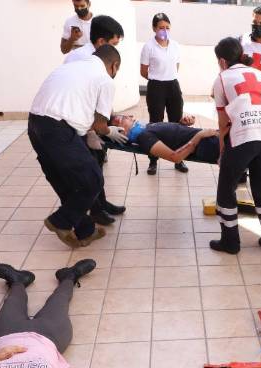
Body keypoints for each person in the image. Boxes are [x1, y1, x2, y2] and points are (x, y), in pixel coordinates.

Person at [28, 45, 126, 248]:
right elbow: (100, 125)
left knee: (65, 181)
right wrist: (110, 131)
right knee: (93, 179)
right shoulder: (105, 80)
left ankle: (85, 230)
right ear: (114, 65)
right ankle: (60, 221)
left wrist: (86, 132)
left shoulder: (69, 67)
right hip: (58, 129)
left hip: (35, 124)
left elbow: (75, 106)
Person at [210, 37, 261, 254]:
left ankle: (230, 242)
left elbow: (223, 122)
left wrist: (222, 148)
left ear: (222, 61)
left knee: (226, 189)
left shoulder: (222, 77)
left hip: (243, 136)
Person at [63, 15, 127, 226]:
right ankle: (94, 210)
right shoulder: (79, 58)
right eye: (113, 43)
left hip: (94, 121)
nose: (115, 49)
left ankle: (101, 203)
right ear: (101, 41)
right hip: (79, 124)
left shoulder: (100, 58)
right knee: (88, 168)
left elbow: (101, 93)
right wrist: (94, 130)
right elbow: (78, 98)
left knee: (98, 162)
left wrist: (109, 119)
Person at [111, 114, 261, 169]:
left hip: (208, 138)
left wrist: (182, 124)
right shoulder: (145, 138)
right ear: (122, 130)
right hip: (207, 145)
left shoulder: (147, 129)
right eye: (124, 119)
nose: (130, 117)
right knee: (260, 148)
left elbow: (173, 136)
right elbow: (176, 157)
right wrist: (198, 135)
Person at [140, 13, 188, 176]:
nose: (164, 31)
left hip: (173, 85)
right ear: (154, 28)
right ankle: (153, 161)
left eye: (167, 28)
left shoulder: (175, 45)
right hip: (156, 86)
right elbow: (143, 71)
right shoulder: (148, 46)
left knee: (177, 123)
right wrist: (157, 80)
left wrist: (168, 77)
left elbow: (177, 66)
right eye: (161, 27)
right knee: (155, 123)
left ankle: (179, 159)